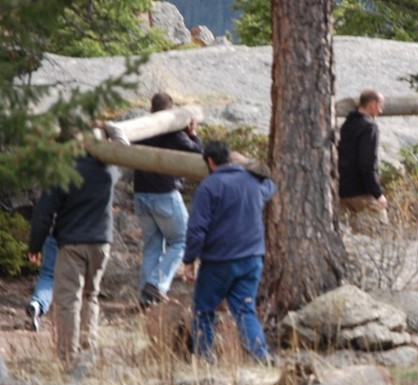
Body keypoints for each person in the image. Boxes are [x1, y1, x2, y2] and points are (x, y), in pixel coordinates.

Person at [28, 123, 129, 367]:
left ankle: (67, 355)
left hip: (72, 242)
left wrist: (35, 245)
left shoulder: (62, 172)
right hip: (101, 242)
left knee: (68, 299)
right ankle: (88, 349)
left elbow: (43, 214)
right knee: (91, 296)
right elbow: (124, 152)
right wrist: (112, 130)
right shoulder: (108, 168)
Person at [182, 141, 276, 364]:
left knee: (204, 310)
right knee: (245, 311)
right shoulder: (254, 182)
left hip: (218, 261)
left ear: (210, 162)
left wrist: (188, 260)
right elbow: (271, 186)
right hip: (252, 258)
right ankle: (261, 356)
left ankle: (204, 358)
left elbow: (197, 229)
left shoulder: (209, 186)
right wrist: (247, 163)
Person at [133, 92, 203, 309]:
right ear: (171, 111)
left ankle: (147, 298)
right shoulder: (172, 132)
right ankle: (156, 284)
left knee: (152, 245)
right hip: (164, 194)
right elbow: (198, 152)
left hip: (140, 195)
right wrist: (192, 134)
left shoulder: (142, 129)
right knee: (182, 240)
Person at [337, 88, 388, 233]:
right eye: (380, 105)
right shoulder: (369, 127)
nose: (381, 110)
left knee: (348, 236)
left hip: (342, 189)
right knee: (378, 233)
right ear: (371, 104)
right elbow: (367, 162)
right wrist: (377, 194)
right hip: (361, 191)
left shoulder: (347, 124)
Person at [25, 235, 58, 332]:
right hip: (84, 237)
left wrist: (35, 247)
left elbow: (42, 220)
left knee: (48, 275)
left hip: (56, 233)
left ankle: (38, 303)